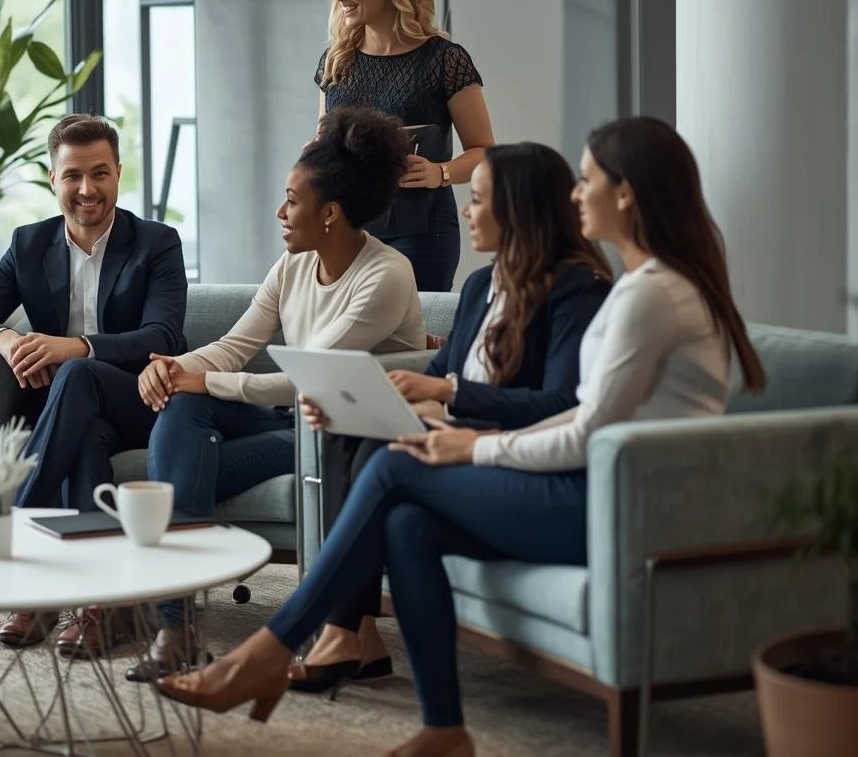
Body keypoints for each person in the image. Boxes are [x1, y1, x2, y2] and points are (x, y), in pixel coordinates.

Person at [156, 117, 766, 757]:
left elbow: (583, 426)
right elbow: (584, 414)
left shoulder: (643, 296)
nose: (576, 194)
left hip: (626, 509)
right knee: (406, 525)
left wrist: (469, 444)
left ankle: (269, 649)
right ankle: (444, 728)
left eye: (588, 180)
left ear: (627, 195)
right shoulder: (635, 290)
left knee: (395, 470)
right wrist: (441, 420)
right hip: (601, 488)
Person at [291, 142, 612, 695]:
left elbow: (560, 404)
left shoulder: (577, 291)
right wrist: (360, 401)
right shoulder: (479, 286)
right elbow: (440, 372)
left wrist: (448, 392)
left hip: (517, 460)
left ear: (517, 209)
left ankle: (336, 629)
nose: (467, 210)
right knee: (355, 428)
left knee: (384, 454)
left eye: (479, 200)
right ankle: (355, 634)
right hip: (465, 447)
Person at [128, 105, 425, 680]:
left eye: (292, 200)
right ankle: (177, 624)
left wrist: (204, 378)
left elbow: (312, 378)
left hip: (338, 429)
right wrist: (172, 369)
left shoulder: (385, 275)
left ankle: (172, 621)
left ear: (331, 213)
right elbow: (235, 345)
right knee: (186, 411)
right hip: (293, 425)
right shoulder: (291, 266)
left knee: (187, 445)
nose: (280, 212)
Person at [0, 113, 189, 653]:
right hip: (74, 414)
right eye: (73, 175)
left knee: (78, 374)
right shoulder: (29, 244)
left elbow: (163, 333)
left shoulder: (156, 242)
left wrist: (73, 347)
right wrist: (7, 341)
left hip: (141, 399)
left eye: (99, 174)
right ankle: (100, 602)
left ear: (119, 173)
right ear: (52, 178)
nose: (86, 189)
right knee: (87, 437)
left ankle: (22, 555)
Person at [317, 0, 496, 292]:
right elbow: (321, 146)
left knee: (412, 342)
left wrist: (440, 173)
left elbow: (486, 154)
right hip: (347, 231)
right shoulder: (336, 61)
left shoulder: (445, 60)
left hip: (423, 234)